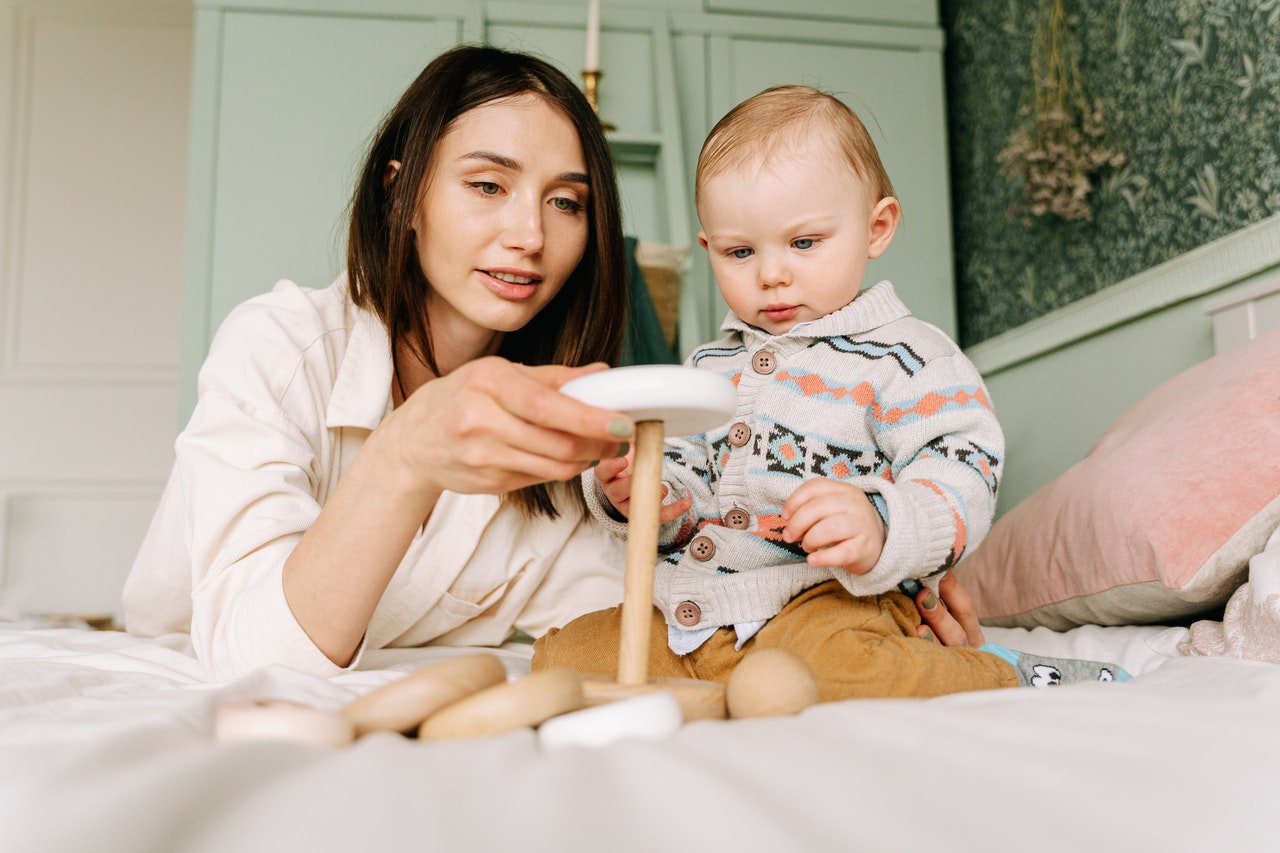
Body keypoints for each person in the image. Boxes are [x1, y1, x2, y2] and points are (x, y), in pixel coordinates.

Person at [533, 85, 1129, 698]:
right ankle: (731, 690)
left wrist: (879, 519)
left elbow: (965, 467)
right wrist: (648, 495)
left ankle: (1009, 672)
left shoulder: (910, 357)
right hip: (701, 611)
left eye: (804, 243)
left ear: (877, 227)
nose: (771, 274)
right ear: (710, 250)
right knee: (564, 656)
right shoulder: (708, 367)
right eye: (741, 251)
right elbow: (683, 491)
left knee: (836, 666)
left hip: (833, 602)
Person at [122, 45, 642, 680]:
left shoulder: (563, 421)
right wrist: (405, 456)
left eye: (566, 202)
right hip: (182, 672)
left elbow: (621, 635)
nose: (530, 235)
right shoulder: (279, 347)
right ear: (402, 195)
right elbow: (254, 658)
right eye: (487, 185)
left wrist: (646, 513)